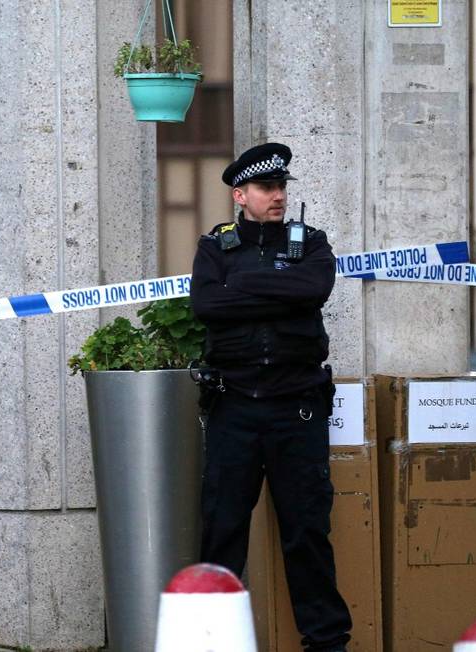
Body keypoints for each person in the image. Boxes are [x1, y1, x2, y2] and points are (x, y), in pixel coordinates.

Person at [189, 143, 352, 652]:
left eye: (282, 186)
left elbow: (315, 288)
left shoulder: (312, 243)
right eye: (266, 188)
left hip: (296, 406)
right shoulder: (216, 248)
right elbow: (206, 304)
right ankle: (211, 641)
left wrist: (246, 287)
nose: (277, 195)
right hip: (234, 406)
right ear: (241, 195)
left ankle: (326, 644)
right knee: (222, 532)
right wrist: (278, 286)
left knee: (306, 534)